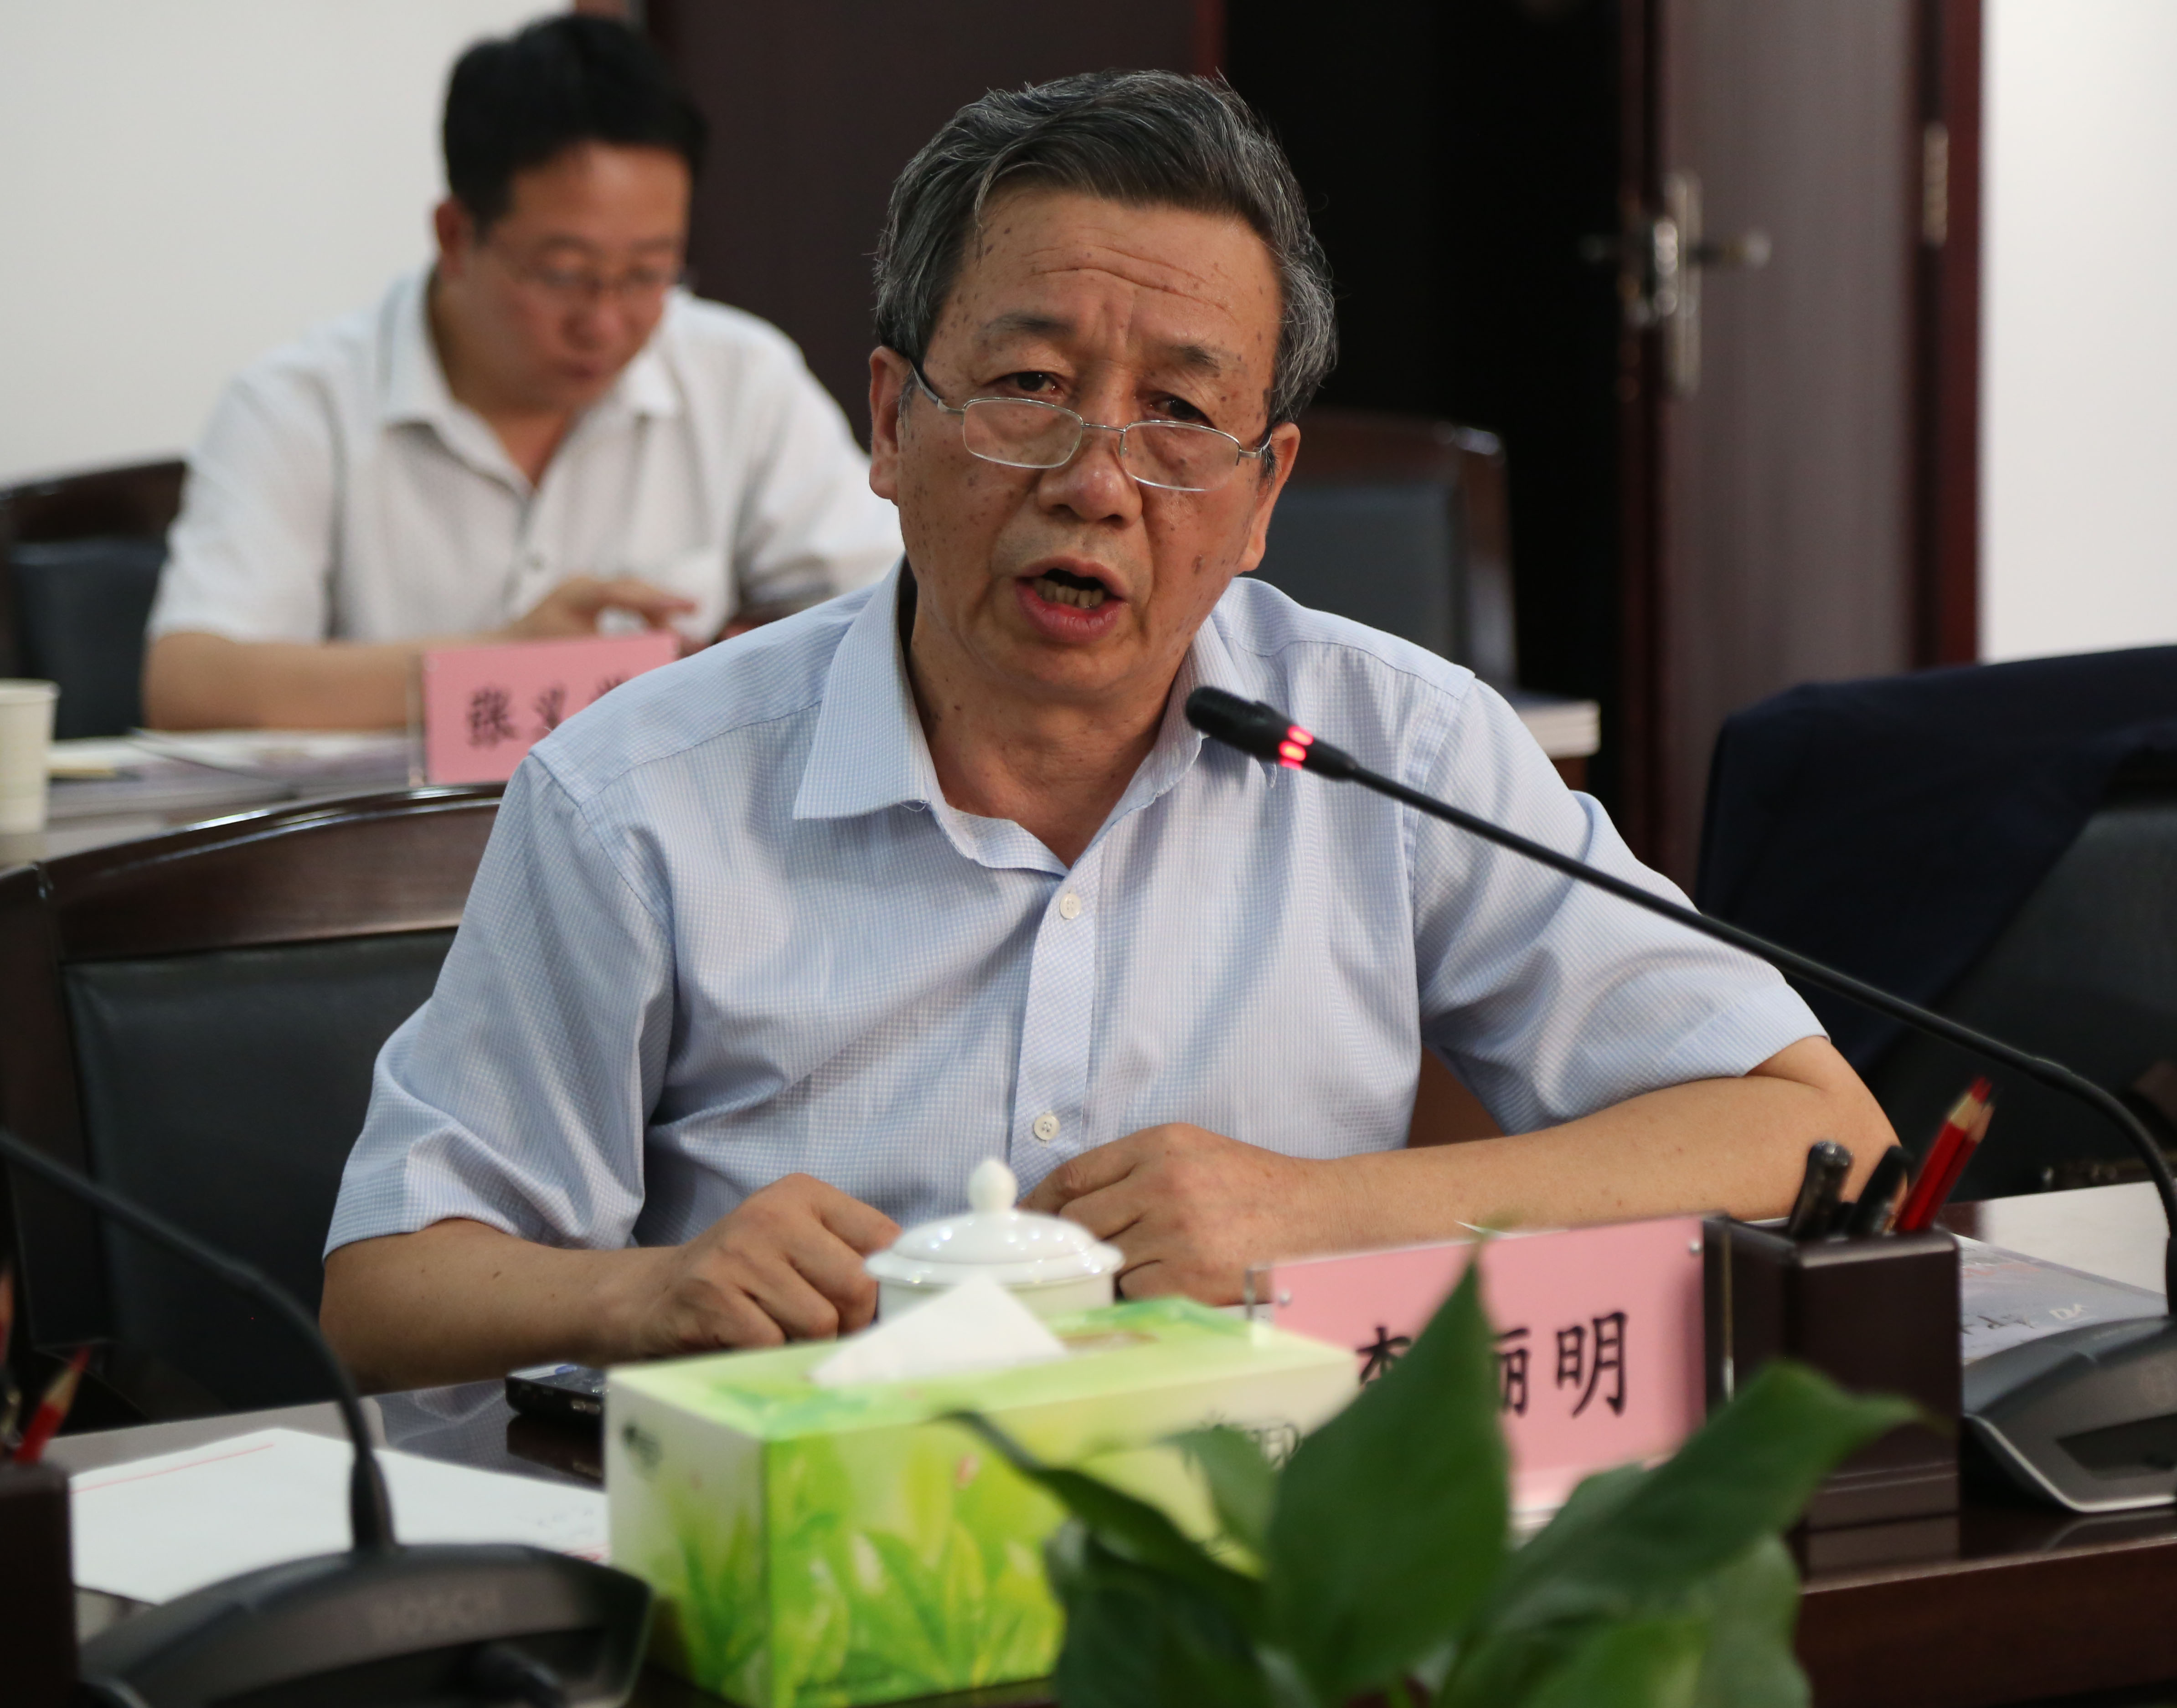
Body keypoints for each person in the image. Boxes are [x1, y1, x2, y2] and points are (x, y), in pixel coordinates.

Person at [320, 70, 1894, 1389]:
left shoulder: (1395, 750)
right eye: (1028, 384)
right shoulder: (637, 798)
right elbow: (387, 1289)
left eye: (1182, 416)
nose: (1096, 481)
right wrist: (647, 1291)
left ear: (1264, 496)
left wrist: (1326, 1215)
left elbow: (1813, 1135)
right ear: (891, 423)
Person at [142, 15, 899, 731]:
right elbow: (190, 682)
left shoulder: (739, 378)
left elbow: (894, 599)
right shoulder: (299, 405)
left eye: (648, 273)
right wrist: (505, 664)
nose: (605, 322)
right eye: (564, 274)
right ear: (455, 236)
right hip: (406, 828)